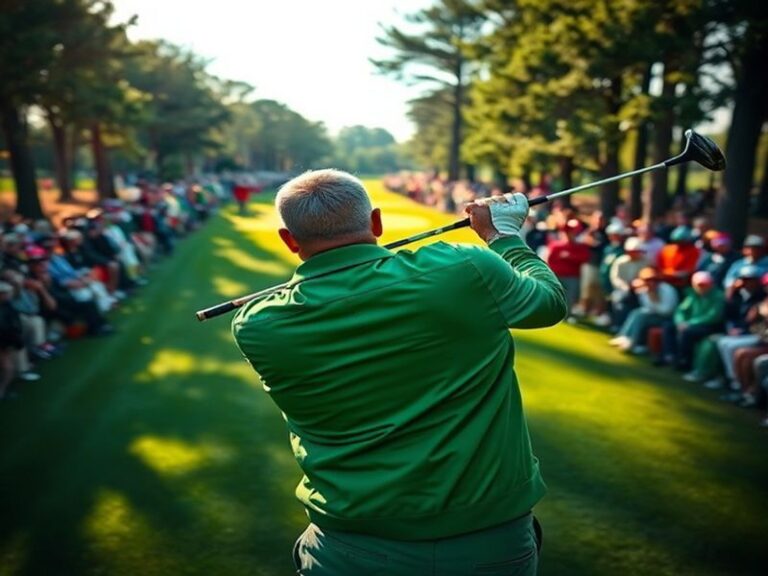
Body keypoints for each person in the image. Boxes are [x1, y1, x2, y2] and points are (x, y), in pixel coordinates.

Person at [231, 169, 568, 576]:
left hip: (347, 547)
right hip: (488, 541)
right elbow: (549, 302)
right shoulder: (462, 269)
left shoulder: (257, 325)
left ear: (289, 240)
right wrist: (505, 238)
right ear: (376, 222)